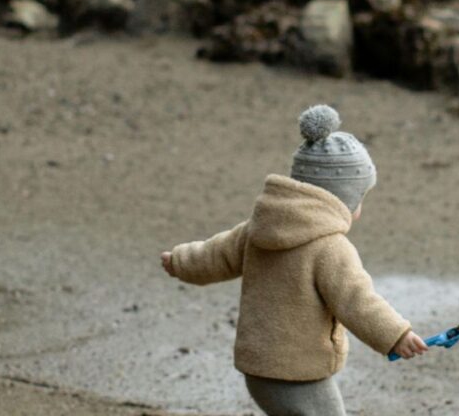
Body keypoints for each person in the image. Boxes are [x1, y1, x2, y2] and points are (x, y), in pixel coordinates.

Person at [160, 104, 428, 416]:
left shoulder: (257, 228)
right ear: (339, 199)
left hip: (258, 368)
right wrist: (396, 335)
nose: (360, 209)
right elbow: (357, 301)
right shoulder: (330, 249)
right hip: (299, 372)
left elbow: (215, 254)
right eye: (360, 199)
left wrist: (179, 260)